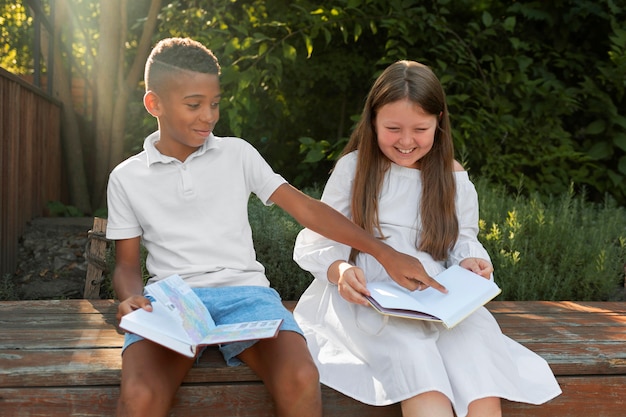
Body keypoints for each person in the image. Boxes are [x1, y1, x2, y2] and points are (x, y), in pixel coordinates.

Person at [106, 38, 443, 417]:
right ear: (155, 104)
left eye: (215, 104)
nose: (208, 117)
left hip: (247, 297)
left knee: (300, 376)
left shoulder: (238, 154)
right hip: (172, 303)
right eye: (194, 105)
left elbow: (308, 210)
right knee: (139, 395)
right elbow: (126, 265)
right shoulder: (126, 178)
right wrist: (129, 298)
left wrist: (384, 252)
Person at [292, 60, 562, 417]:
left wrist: (471, 261)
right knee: (416, 363)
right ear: (372, 121)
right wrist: (339, 269)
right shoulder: (355, 169)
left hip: (436, 298)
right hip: (370, 299)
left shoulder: (452, 176)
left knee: (475, 360)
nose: (406, 141)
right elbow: (320, 237)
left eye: (420, 129)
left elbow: (463, 240)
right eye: (392, 128)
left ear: (439, 123)